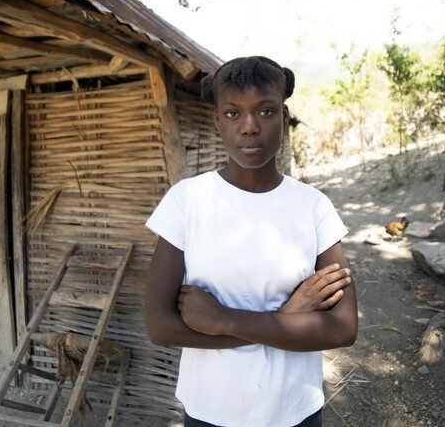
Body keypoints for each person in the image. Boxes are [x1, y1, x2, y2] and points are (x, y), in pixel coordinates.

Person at [145, 56, 357, 427]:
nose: (249, 127)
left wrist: (223, 319)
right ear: (217, 121)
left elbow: (342, 328)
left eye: (266, 111)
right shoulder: (187, 202)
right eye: (232, 114)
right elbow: (160, 326)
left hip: (295, 409)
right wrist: (284, 319)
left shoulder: (313, 207)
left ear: (284, 115)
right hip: (211, 411)